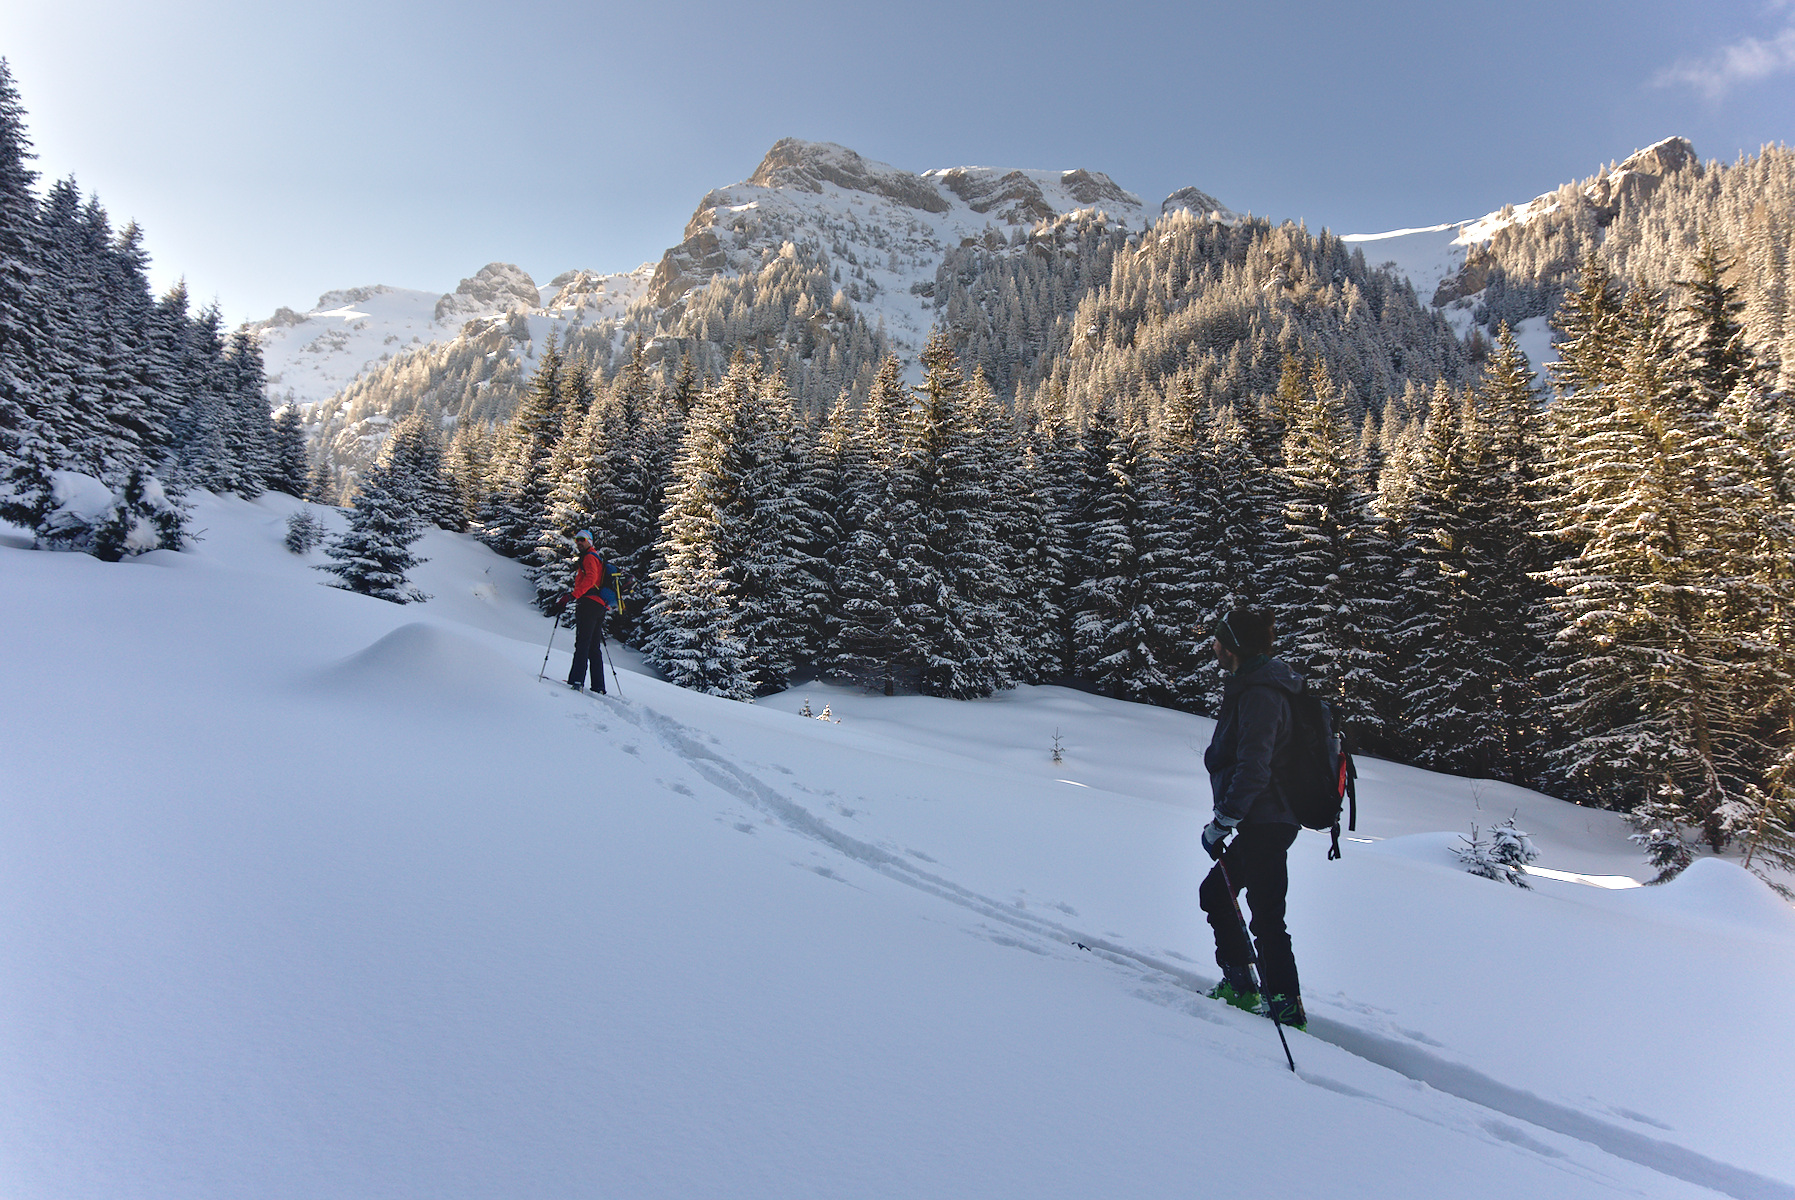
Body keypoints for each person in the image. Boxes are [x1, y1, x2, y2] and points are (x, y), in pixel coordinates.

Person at [1198, 607, 1307, 1030]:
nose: (1214, 646)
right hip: (1262, 819)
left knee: (1265, 915)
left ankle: (1283, 1005)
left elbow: (1255, 767)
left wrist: (1223, 821)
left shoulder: (1262, 693)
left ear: (1233, 648)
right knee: (1217, 893)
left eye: (1219, 639)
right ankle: (1243, 984)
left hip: (1268, 819)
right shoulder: (1253, 685)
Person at [563, 530, 609, 694]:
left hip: (589, 603)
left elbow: (591, 578)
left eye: (582, 540)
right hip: (599, 606)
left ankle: (576, 681)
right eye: (576, 540)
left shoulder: (589, 557)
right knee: (593, 646)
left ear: (590, 541)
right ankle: (598, 686)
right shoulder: (595, 557)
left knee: (583, 643)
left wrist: (574, 595)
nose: (579, 543)